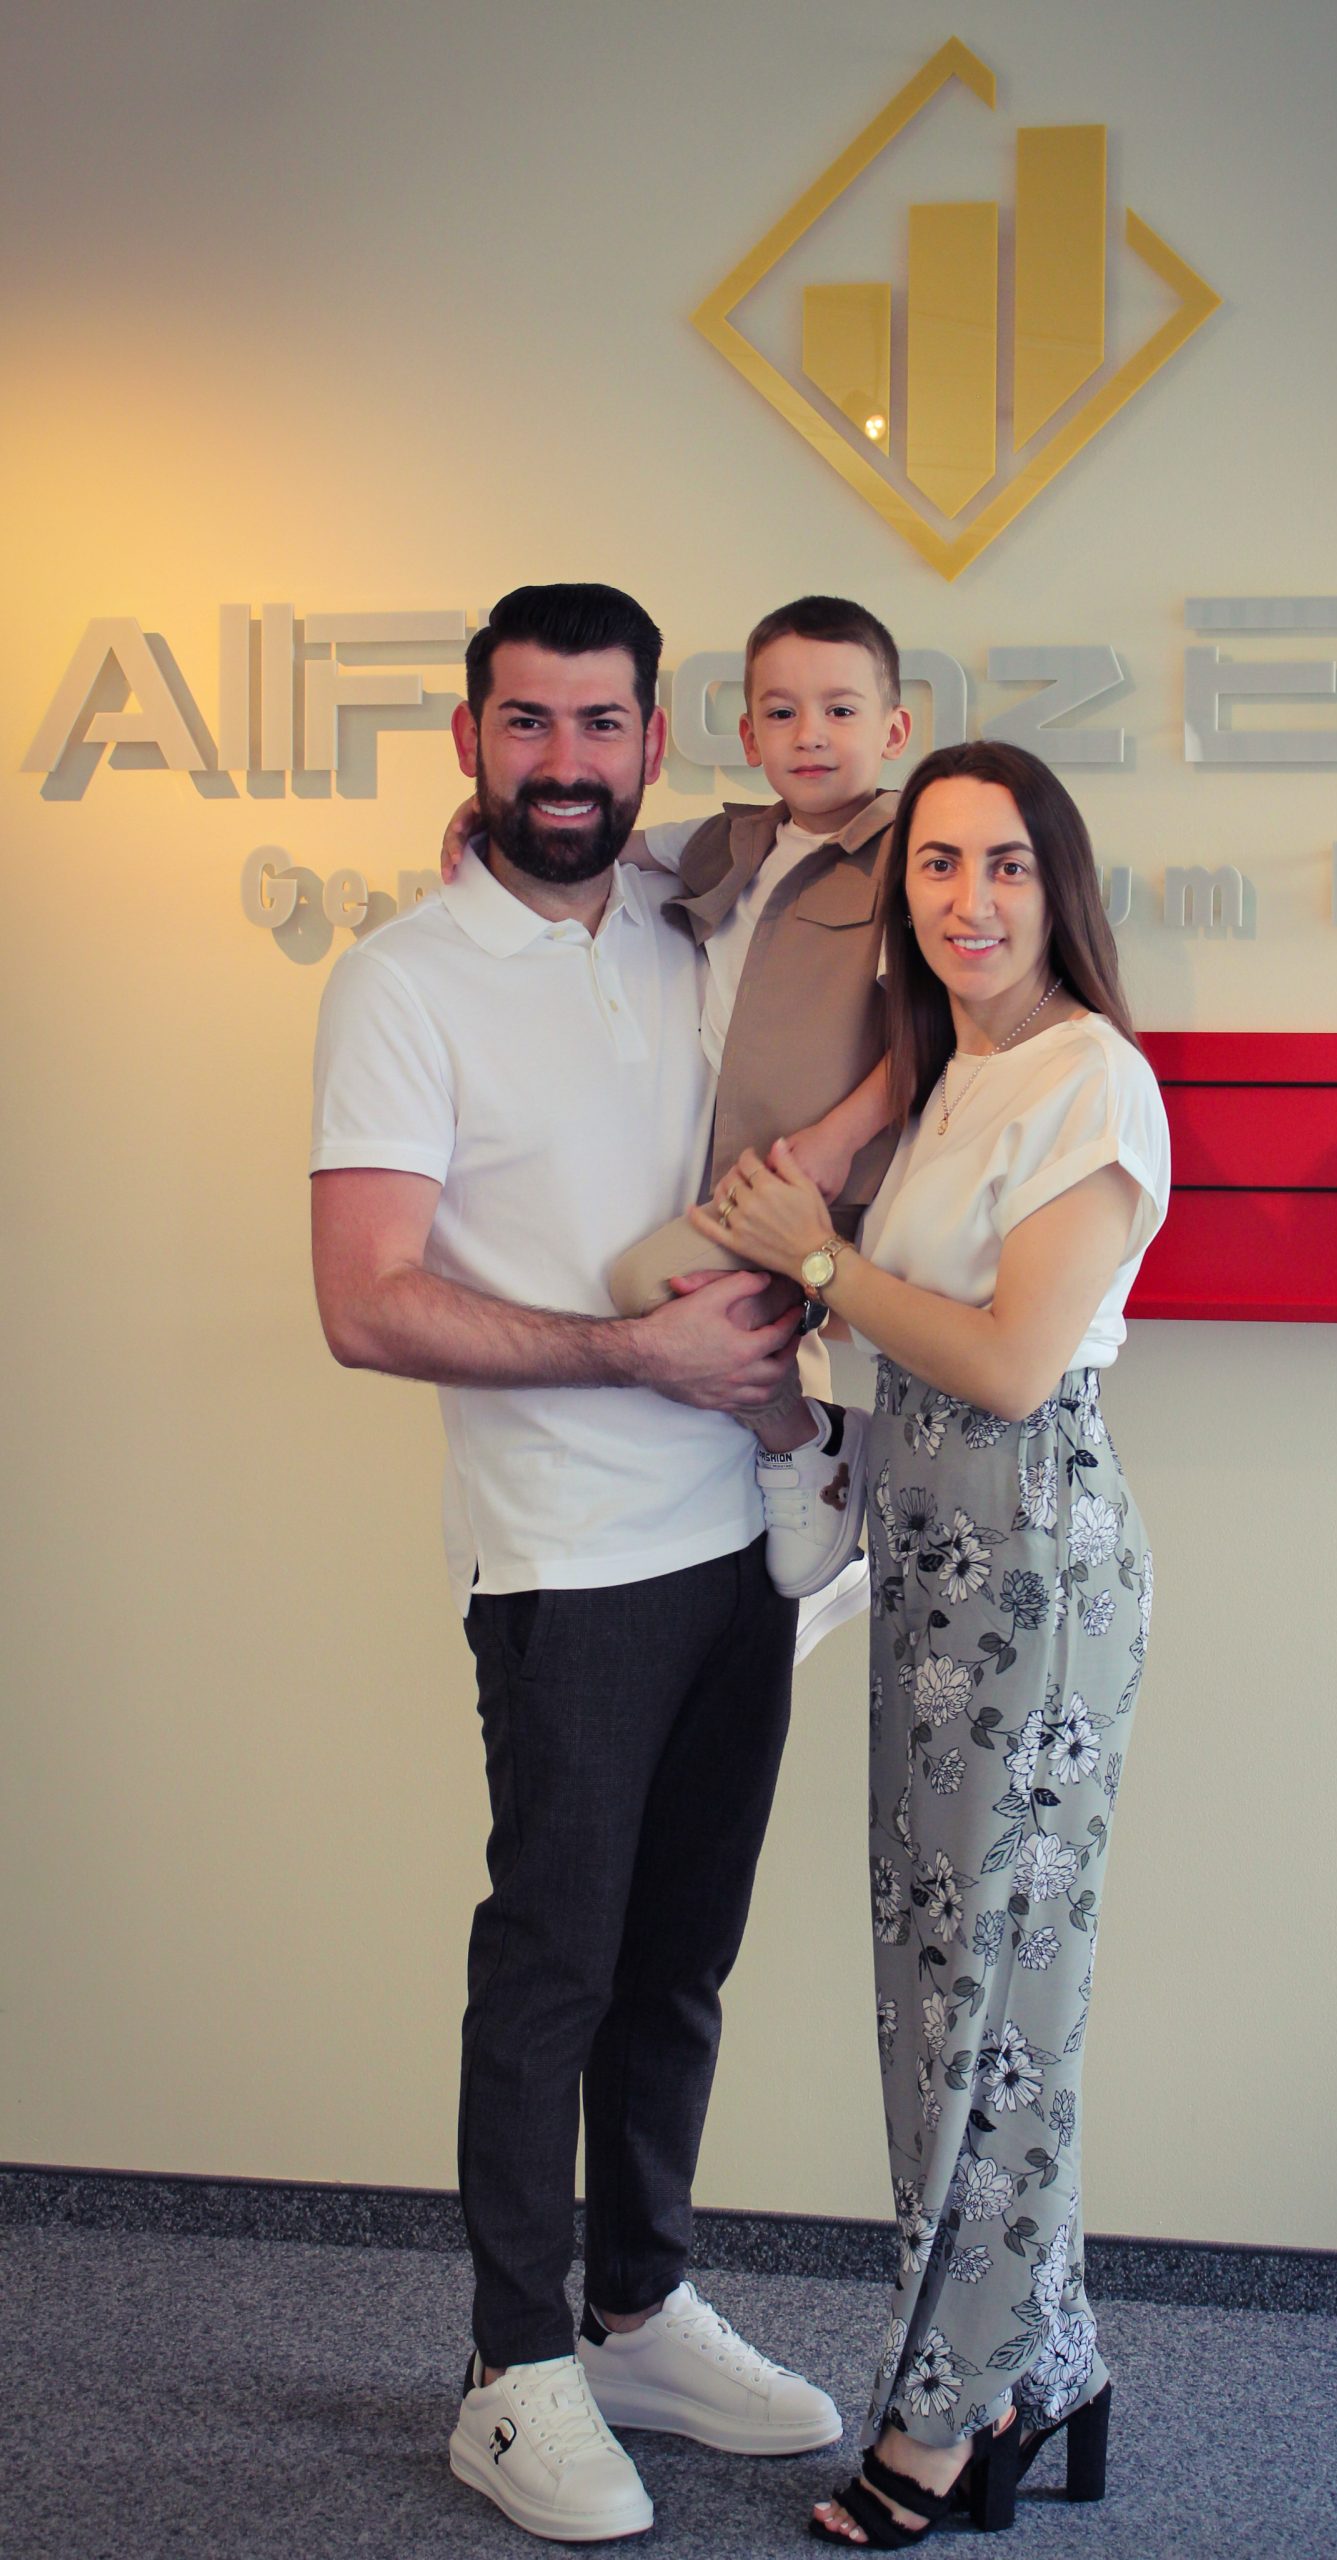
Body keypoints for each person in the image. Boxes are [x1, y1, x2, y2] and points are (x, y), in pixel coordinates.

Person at [310, 582, 843, 2546]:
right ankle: (510, 2366)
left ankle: (634, 2307)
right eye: (524, 723)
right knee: (554, 1959)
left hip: (741, 1537)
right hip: (562, 1557)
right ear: (468, 739)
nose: (562, 762)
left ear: (649, 742)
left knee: (679, 1957)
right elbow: (365, 1301)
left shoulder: (690, 921)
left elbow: (854, 852)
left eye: (598, 724)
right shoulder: (401, 980)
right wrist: (636, 1354)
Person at [693, 741, 1170, 2548]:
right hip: (934, 1570)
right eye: (939, 864)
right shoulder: (956, 1073)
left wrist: (815, 1260)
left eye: (1007, 864)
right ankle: (1048, 2360)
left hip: (1031, 1567)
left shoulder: (1089, 1078)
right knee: (947, 1992)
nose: (969, 898)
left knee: (989, 2006)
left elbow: (1008, 1363)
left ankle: (955, 2407)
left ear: (1060, 888)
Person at [441, 594, 913, 1616]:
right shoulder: (733, 842)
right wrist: (489, 818)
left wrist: (838, 1142)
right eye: (781, 713)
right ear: (747, 736)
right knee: (686, 1294)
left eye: (839, 710)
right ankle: (813, 1450)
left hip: (828, 1176)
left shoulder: (912, 854)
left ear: (894, 728)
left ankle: (807, 1447)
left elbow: (936, 1030)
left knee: (641, 1280)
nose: (810, 735)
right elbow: (608, 840)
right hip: (748, 1172)